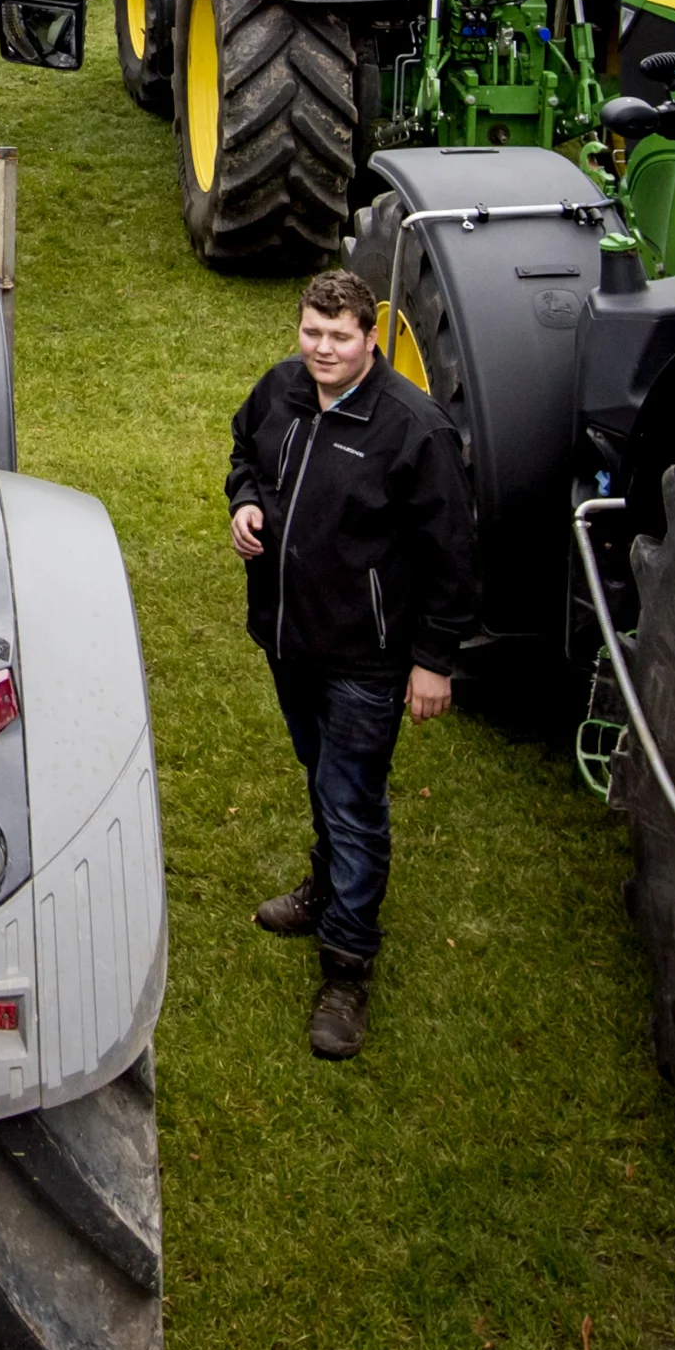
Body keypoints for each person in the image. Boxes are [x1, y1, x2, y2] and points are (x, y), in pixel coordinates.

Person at [226, 269, 469, 1060]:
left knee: (352, 797)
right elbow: (246, 452)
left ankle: (346, 965)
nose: (322, 350)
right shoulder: (282, 390)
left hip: (367, 657)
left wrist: (433, 661)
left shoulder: (413, 429)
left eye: (339, 336)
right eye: (311, 333)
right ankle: (325, 887)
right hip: (291, 639)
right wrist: (244, 502)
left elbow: (451, 554)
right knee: (319, 769)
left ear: (372, 338)